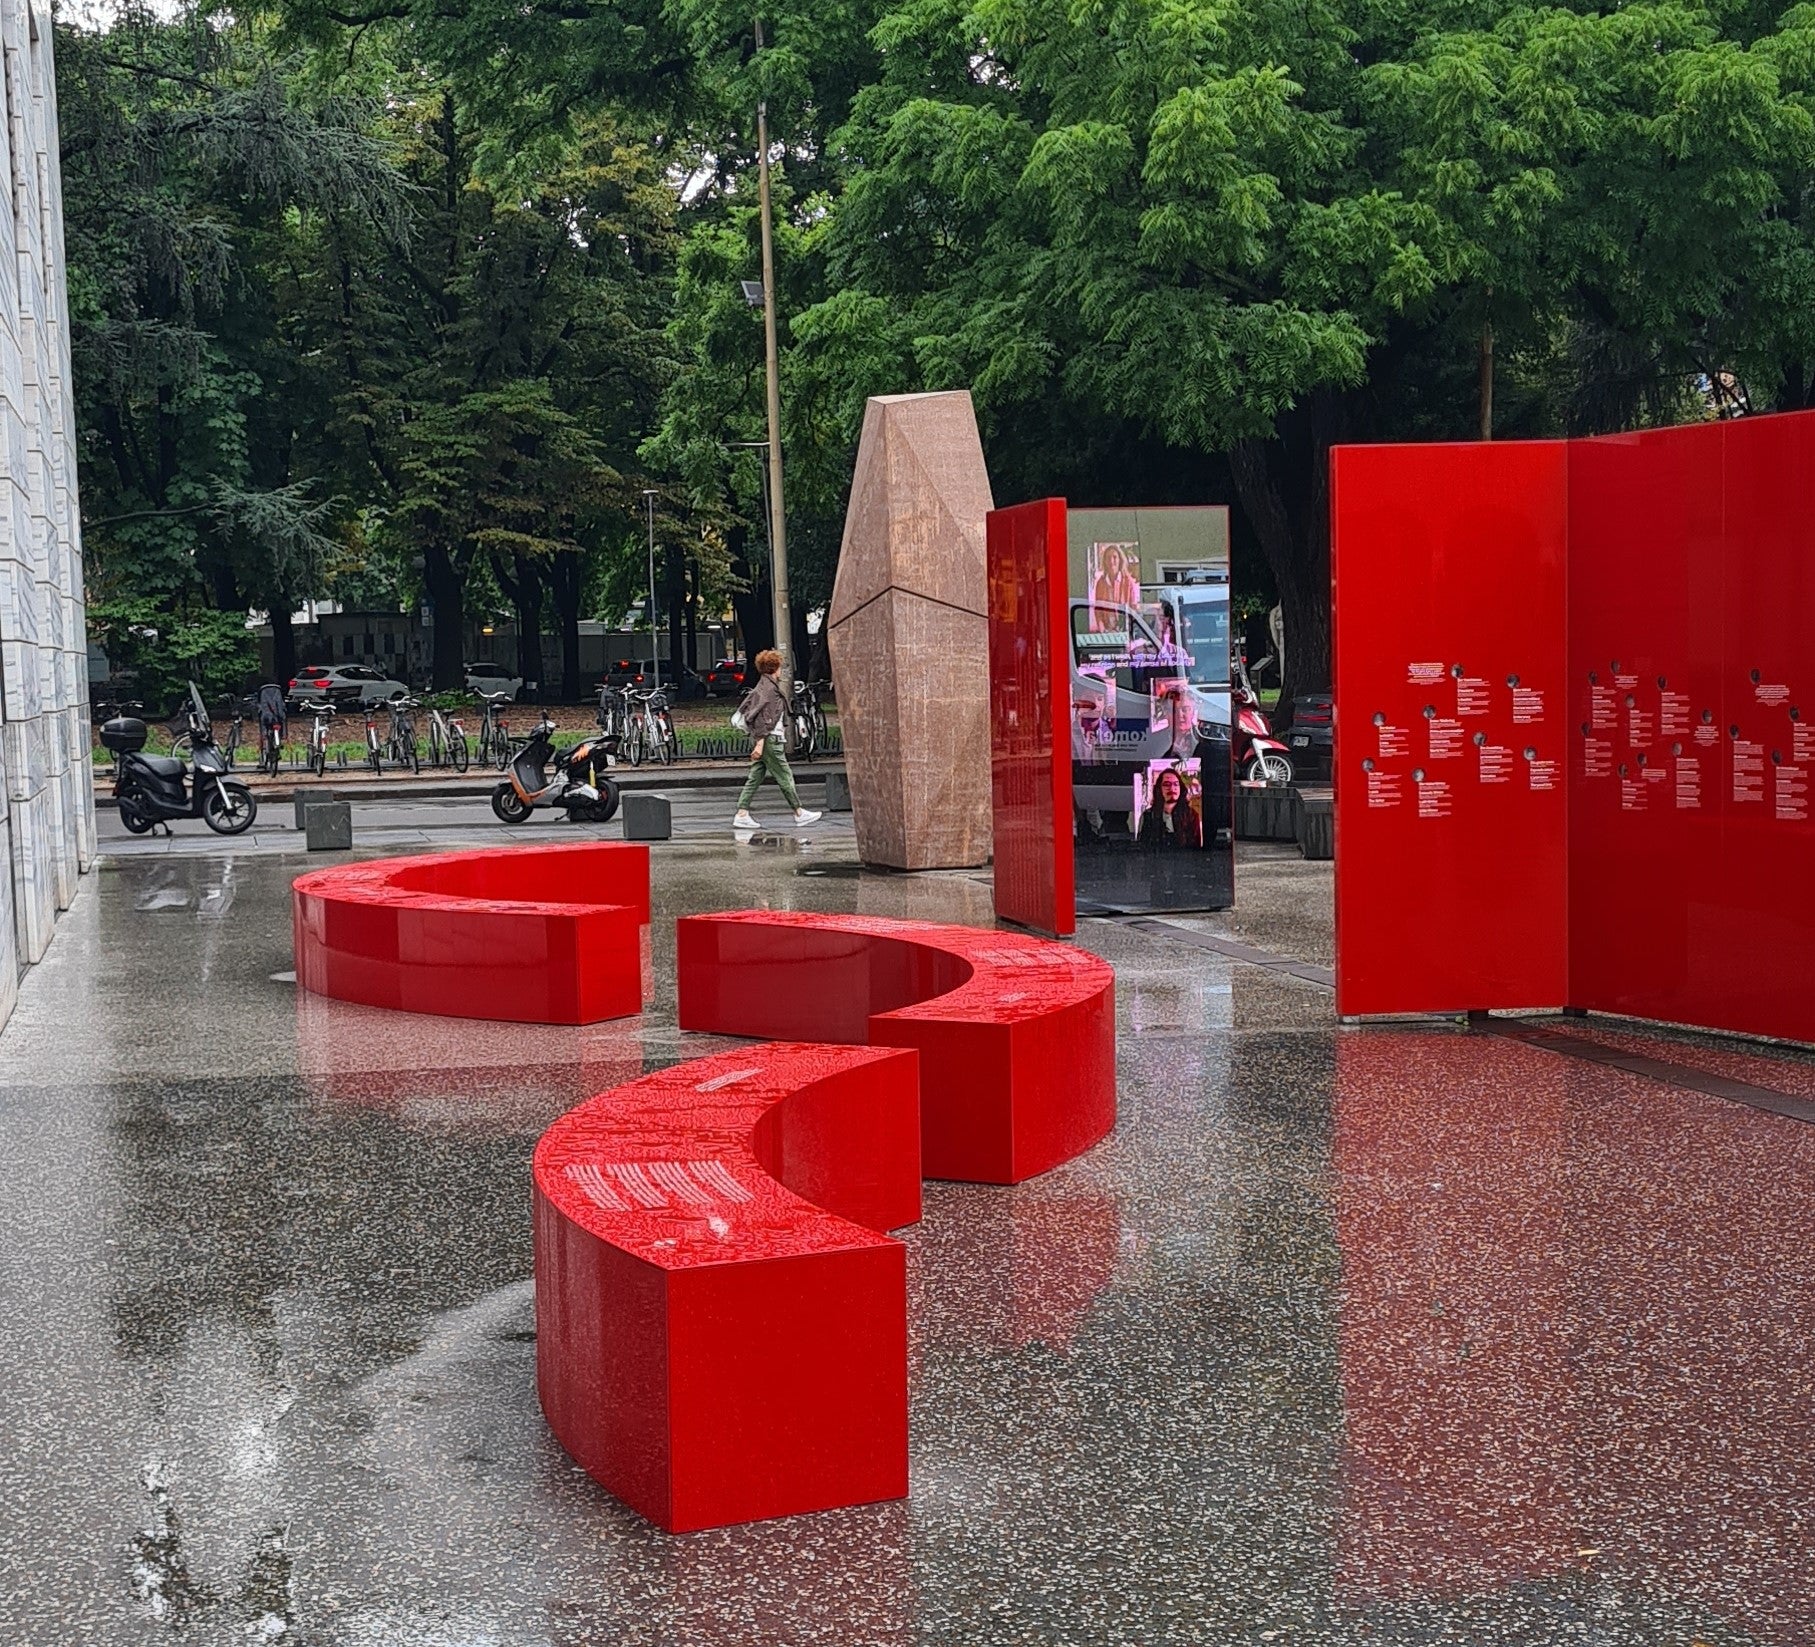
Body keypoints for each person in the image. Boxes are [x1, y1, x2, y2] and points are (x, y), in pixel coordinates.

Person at [732, 650, 821, 830]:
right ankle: (799, 812)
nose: (781, 670)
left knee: (755, 776)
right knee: (784, 775)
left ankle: (742, 813)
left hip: (766, 739)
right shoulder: (769, 690)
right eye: (780, 667)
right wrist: (760, 742)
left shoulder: (763, 686)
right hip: (770, 740)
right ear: (775, 668)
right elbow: (763, 718)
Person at [1137, 766, 1202, 850]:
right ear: (1159, 789)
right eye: (1167, 785)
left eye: (1176, 784)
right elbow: (1144, 846)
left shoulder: (1191, 815)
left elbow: (1197, 848)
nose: (1172, 788)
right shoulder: (1149, 815)